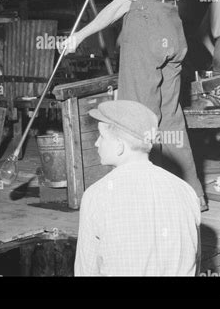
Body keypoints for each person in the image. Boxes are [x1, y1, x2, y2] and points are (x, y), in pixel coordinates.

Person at [64, 0, 206, 210]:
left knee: (135, 117)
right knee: (169, 119)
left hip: (143, 25)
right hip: (172, 26)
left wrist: (80, 35)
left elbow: (124, 3)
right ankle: (192, 195)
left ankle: (141, 201)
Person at [74, 100, 200, 276]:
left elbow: (85, 271)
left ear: (119, 146)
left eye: (101, 136)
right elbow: (195, 260)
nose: (96, 143)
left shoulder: (96, 196)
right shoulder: (186, 191)